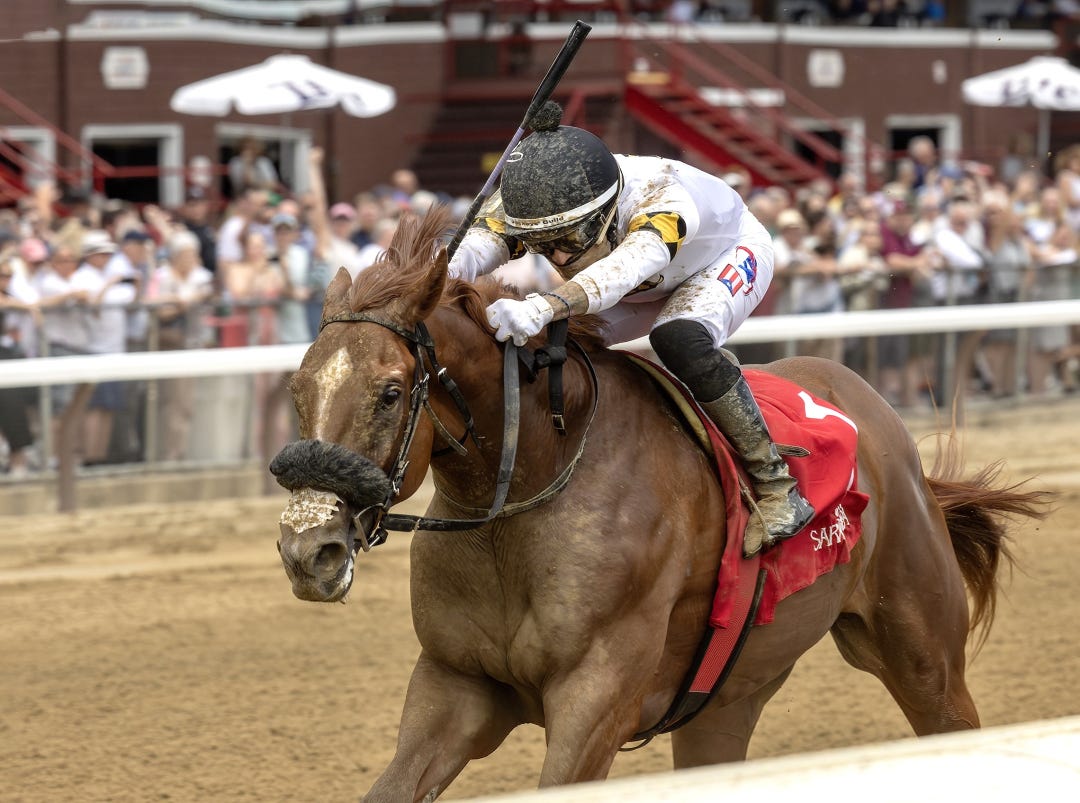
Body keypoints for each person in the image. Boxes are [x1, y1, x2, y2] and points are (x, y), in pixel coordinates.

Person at [447, 103, 814, 556]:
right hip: (636, 285)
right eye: (544, 246)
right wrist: (434, 273)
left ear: (603, 212)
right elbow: (477, 247)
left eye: (570, 241)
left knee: (678, 337)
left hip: (720, 258)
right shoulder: (531, 201)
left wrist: (546, 304)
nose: (559, 259)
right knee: (552, 345)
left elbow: (622, 271)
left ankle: (776, 485)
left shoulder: (662, 198)